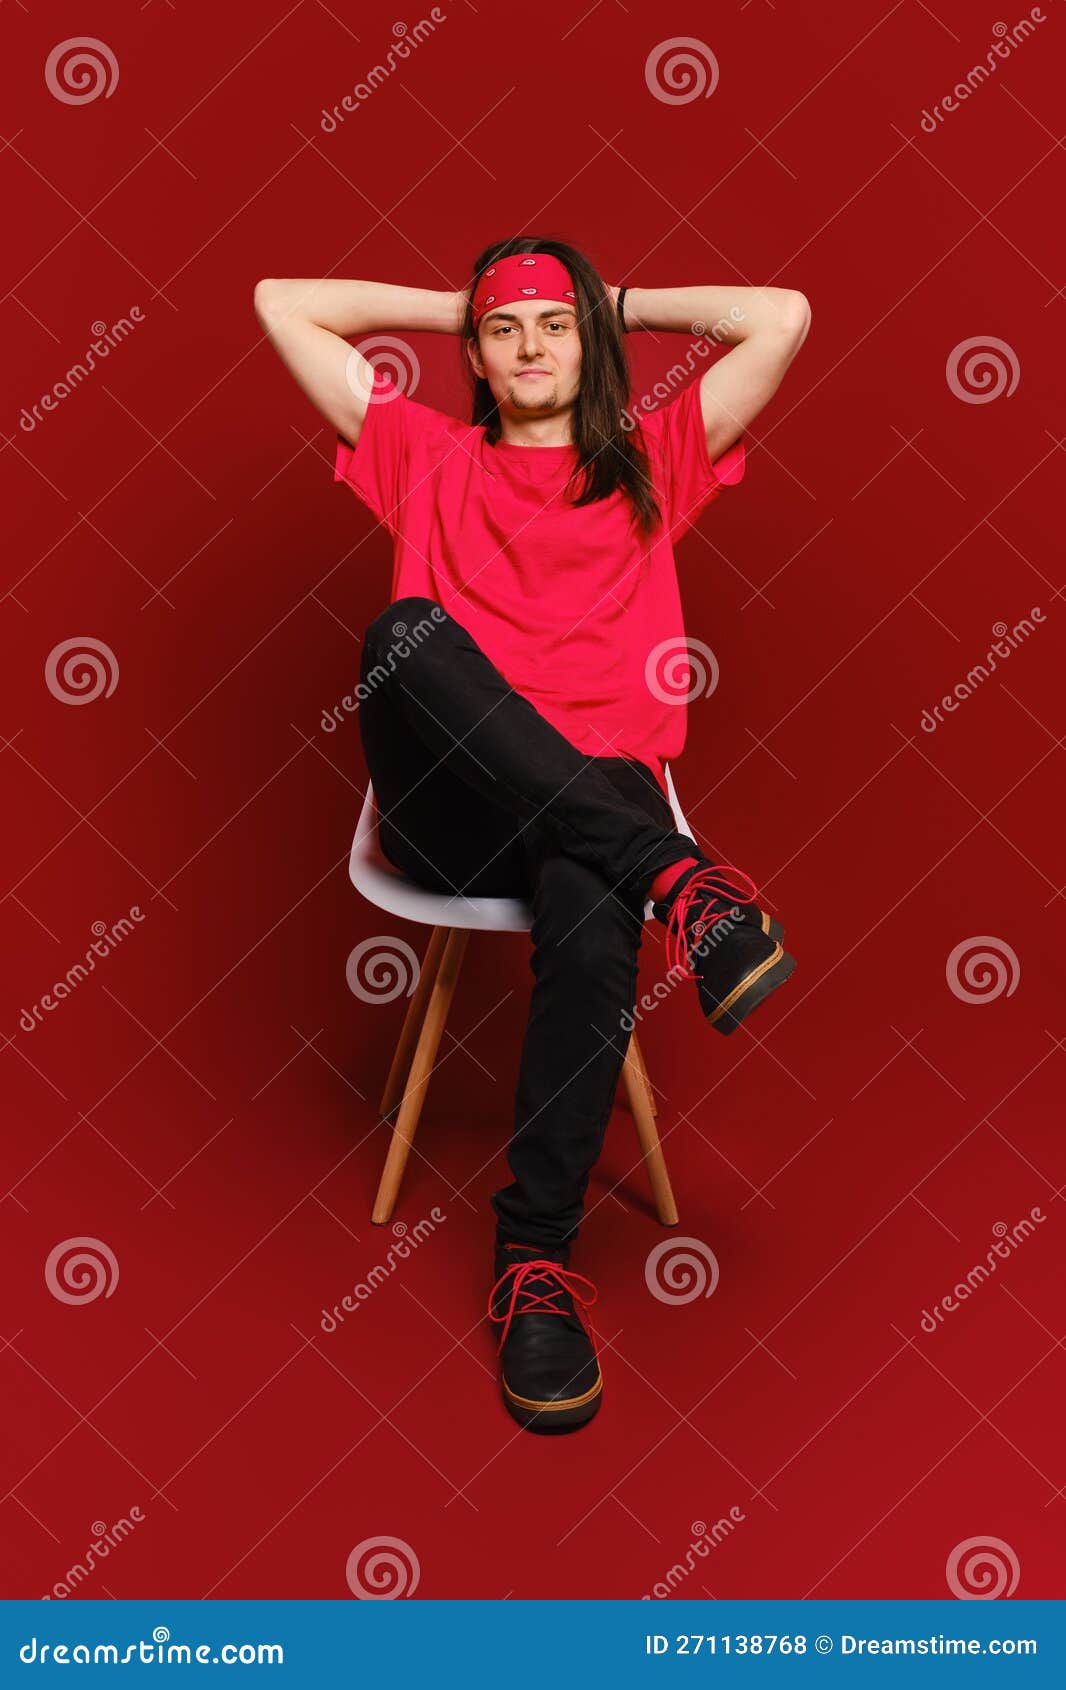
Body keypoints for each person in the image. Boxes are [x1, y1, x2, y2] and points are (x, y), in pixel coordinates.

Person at [253, 238, 811, 1435]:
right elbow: (282, 299)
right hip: (449, 816)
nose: (530, 345)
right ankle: (680, 881)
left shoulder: (652, 460)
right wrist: (463, 301)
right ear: (477, 354)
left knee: (592, 875)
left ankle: (534, 1262)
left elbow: (781, 312)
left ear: (590, 343)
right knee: (406, 630)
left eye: (554, 326)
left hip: (586, 830)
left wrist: (619, 302)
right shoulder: (426, 456)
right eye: (504, 330)